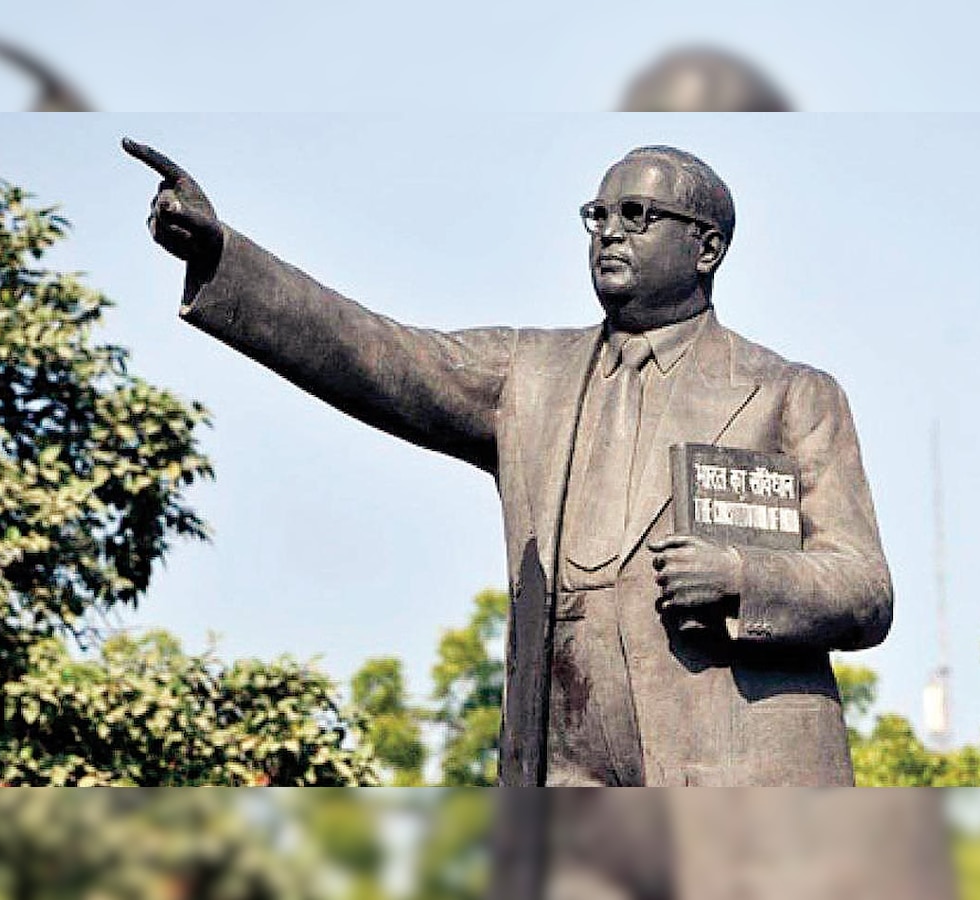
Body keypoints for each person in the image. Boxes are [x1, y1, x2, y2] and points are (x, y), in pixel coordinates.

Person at [124, 138, 892, 787]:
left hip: (729, 769)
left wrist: (742, 578)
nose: (609, 233)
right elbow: (379, 352)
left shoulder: (789, 394)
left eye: (638, 215)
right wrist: (226, 256)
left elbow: (863, 587)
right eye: (598, 215)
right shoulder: (529, 374)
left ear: (707, 248)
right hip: (560, 751)